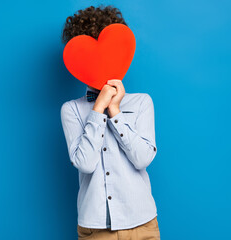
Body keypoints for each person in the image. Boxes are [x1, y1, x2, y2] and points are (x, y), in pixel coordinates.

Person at [60, 5, 160, 240]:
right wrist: (97, 109)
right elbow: (85, 163)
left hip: (142, 224)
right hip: (96, 228)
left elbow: (143, 158)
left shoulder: (142, 103)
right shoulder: (71, 109)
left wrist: (114, 111)